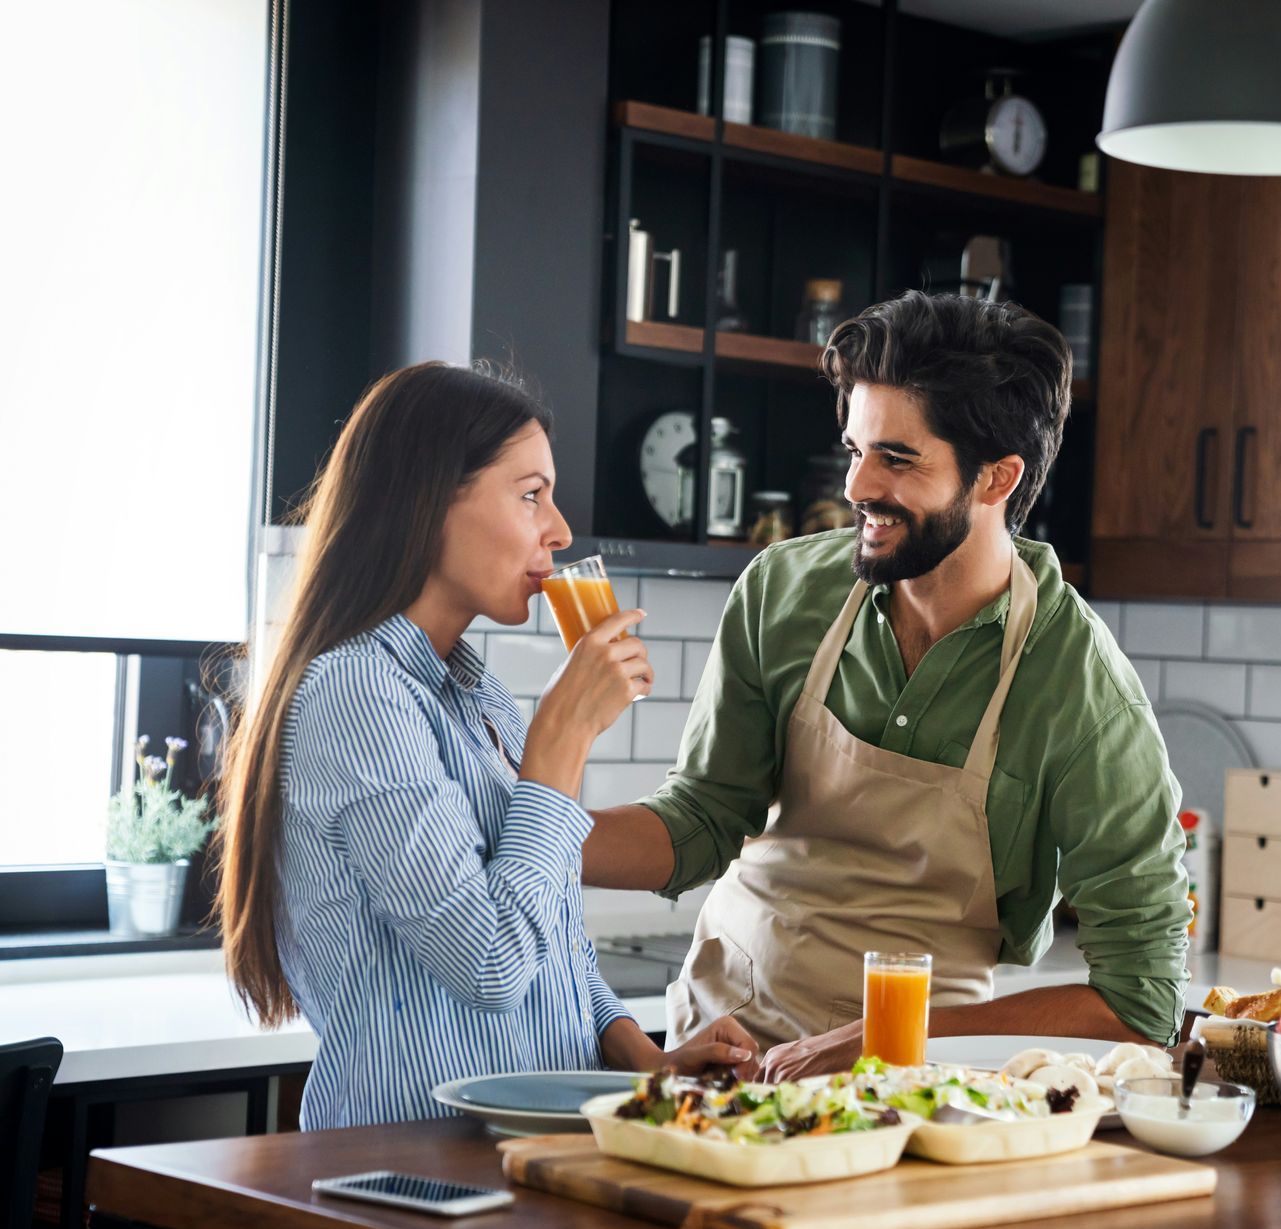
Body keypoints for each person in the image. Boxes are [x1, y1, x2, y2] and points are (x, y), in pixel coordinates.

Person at [581, 291, 1192, 1080]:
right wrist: (525, 836)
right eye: (854, 447)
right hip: (721, 1051)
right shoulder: (783, 590)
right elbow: (703, 818)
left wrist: (884, 1035)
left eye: (896, 458)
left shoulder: (1078, 686)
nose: (857, 483)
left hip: (916, 1082)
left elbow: (1139, 1002)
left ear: (996, 478)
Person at [215, 362, 756, 1128]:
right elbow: (491, 962)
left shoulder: (473, 695)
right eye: (530, 493)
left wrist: (647, 1057)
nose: (560, 529)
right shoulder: (357, 695)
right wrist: (560, 742)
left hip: (524, 1153)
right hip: (417, 1170)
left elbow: (550, 945)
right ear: (428, 498)